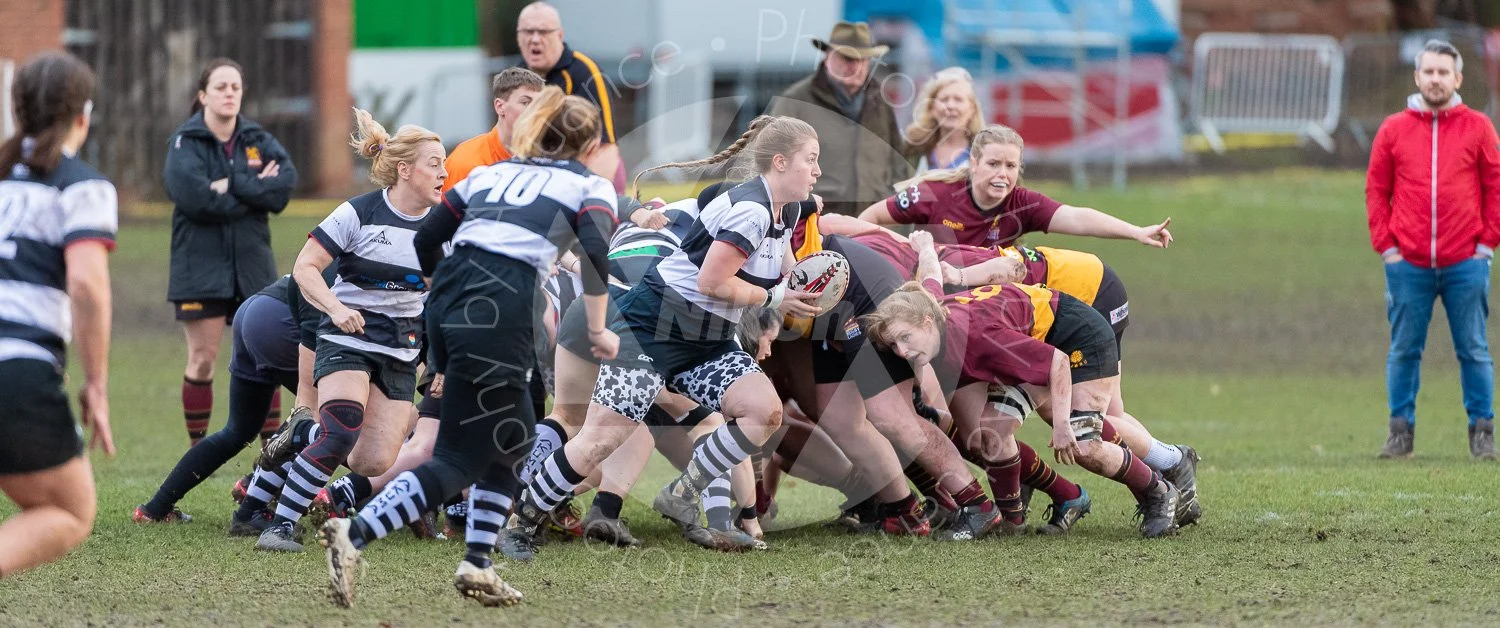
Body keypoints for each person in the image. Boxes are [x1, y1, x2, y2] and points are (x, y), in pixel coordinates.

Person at [317, 87, 618, 608]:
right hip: (501, 310)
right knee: (460, 457)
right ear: (589, 145)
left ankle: (477, 563)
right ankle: (355, 534)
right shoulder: (589, 186)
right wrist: (597, 329)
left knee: (511, 440)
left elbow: (426, 238)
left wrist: (447, 292)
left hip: (449, 307)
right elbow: (594, 255)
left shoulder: (489, 174)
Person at [501, 115, 824, 560]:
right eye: (811, 160)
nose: (817, 171)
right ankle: (521, 522)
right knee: (600, 439)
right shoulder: (750, 210)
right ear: (781, 162)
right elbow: (712, 282)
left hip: (708, 338)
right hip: (650, 329)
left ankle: (681, 495)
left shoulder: (785, 209)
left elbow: (781, 263)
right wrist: (777, 297)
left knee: (763, 412)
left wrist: (804, 281)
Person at [863, 232, 1182, 538]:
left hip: (1080, 340)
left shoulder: (978, 336)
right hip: (1038, 341)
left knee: (1084, 446)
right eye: (894, 345)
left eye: (905, 338)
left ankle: (1159, 491)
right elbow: (930, 276)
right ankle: (1011, 521)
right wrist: (925, 247)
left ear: (926, 322)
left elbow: (1057, 362)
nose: (901, 352)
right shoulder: (929, 306)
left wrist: (1062, 425)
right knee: (988, 432)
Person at [253, 109, 444, 553]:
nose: (443, 173)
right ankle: (279, 527)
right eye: (434, 163)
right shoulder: (358, 212)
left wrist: (442, 361)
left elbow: (450, 299)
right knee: (341, 430)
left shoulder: (444, 229)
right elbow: (306, 267)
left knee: (372, 460)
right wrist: (337, 309)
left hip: (400, 350)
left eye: (444, 164)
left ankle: (300, 434)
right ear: (404, 169)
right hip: (348, 338)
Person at [0, 51, 116, 578]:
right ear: (82, 115)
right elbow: (87, 285)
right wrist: (96, 383)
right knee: (68, 511)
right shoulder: (81, 185)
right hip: (16, 367)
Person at [1366, 39, 1500, 460]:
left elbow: (1495, 186)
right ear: (1417, 76)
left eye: (1444, 72)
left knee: (1474, 350)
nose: (1436, 79)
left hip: (1466, 263)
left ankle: (1483, 433)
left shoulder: (1478, 127)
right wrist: (1388, 248)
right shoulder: (1393, 129)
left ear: (1457, 79)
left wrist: (1485, 245)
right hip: (1408, 264)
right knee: (1404, 350)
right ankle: (1400, 433)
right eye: (1429, 71)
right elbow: (1376, 190)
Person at [164, 58, 297, 448]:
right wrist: (253, 188)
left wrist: (228, 184)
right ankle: (198, 452)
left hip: (253, 264)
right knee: (203, 358)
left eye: (235, 87)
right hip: (199, 265)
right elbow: (194, 199)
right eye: (220, 87)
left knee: (268, 356)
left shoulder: (257, 140)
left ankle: (270, 457)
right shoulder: (185, 142)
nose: (229, 94)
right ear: (203, 95)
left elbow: (283, 189)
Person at [858, 125, 1171, 250]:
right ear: (974, 163)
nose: (1002, 174)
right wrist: (898, 253)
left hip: (988, 301)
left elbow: (1077, 218)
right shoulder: (935, 193)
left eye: (1010, 166)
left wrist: (1135, 232)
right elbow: (870, 218)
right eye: (994, 164)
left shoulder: (1022, 203)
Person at [767, 21, 908, 217]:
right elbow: (770, 165)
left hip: (872, 224)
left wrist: (890, 211)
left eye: (863, 59)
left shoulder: (880, 102)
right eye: (847, 58)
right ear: (827, 56)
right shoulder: (795, 102)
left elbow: (899, 164)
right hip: (812, 223)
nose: (855, 66)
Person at [515, 1, 625, 191]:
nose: (534, 39)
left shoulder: (585, 72)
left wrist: (592, 195)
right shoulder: (515, 76)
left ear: (559, 35)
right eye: (528, 31)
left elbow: (606, 146)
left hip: (590, 175)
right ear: (518, 36)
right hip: (539, 180)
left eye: (543, 32)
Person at [442, 67, 545, 193]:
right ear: (500, 106)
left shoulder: (549, 160)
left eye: (539, 105)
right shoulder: (467, 162)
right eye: (525, 103)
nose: (535, 111)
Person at [905, 67, 984, 172]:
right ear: (931, 108)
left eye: (958, 99)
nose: (950, 106)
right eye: (944, 99)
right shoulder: (912, 149)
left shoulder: (984, 153)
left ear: (972, 109)